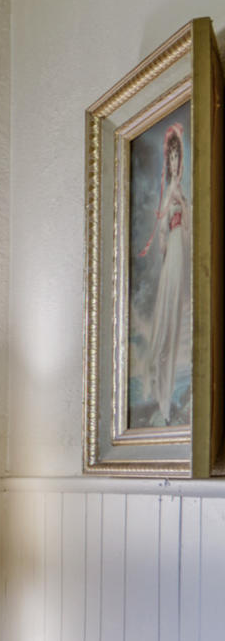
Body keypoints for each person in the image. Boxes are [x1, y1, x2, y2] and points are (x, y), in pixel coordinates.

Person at [133, 122, 193, 424]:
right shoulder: (170, 191)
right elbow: (161, 233)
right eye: (171, 159)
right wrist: (173, 215)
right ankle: (161, 394)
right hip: (173, 257)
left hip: (181, 254)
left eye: (177, 159)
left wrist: (183, 213)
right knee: (167, 324)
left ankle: (167, 398)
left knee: (175, 325)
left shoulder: (179, 191)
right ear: (167, 164)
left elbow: (187, 227)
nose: (175, 164)